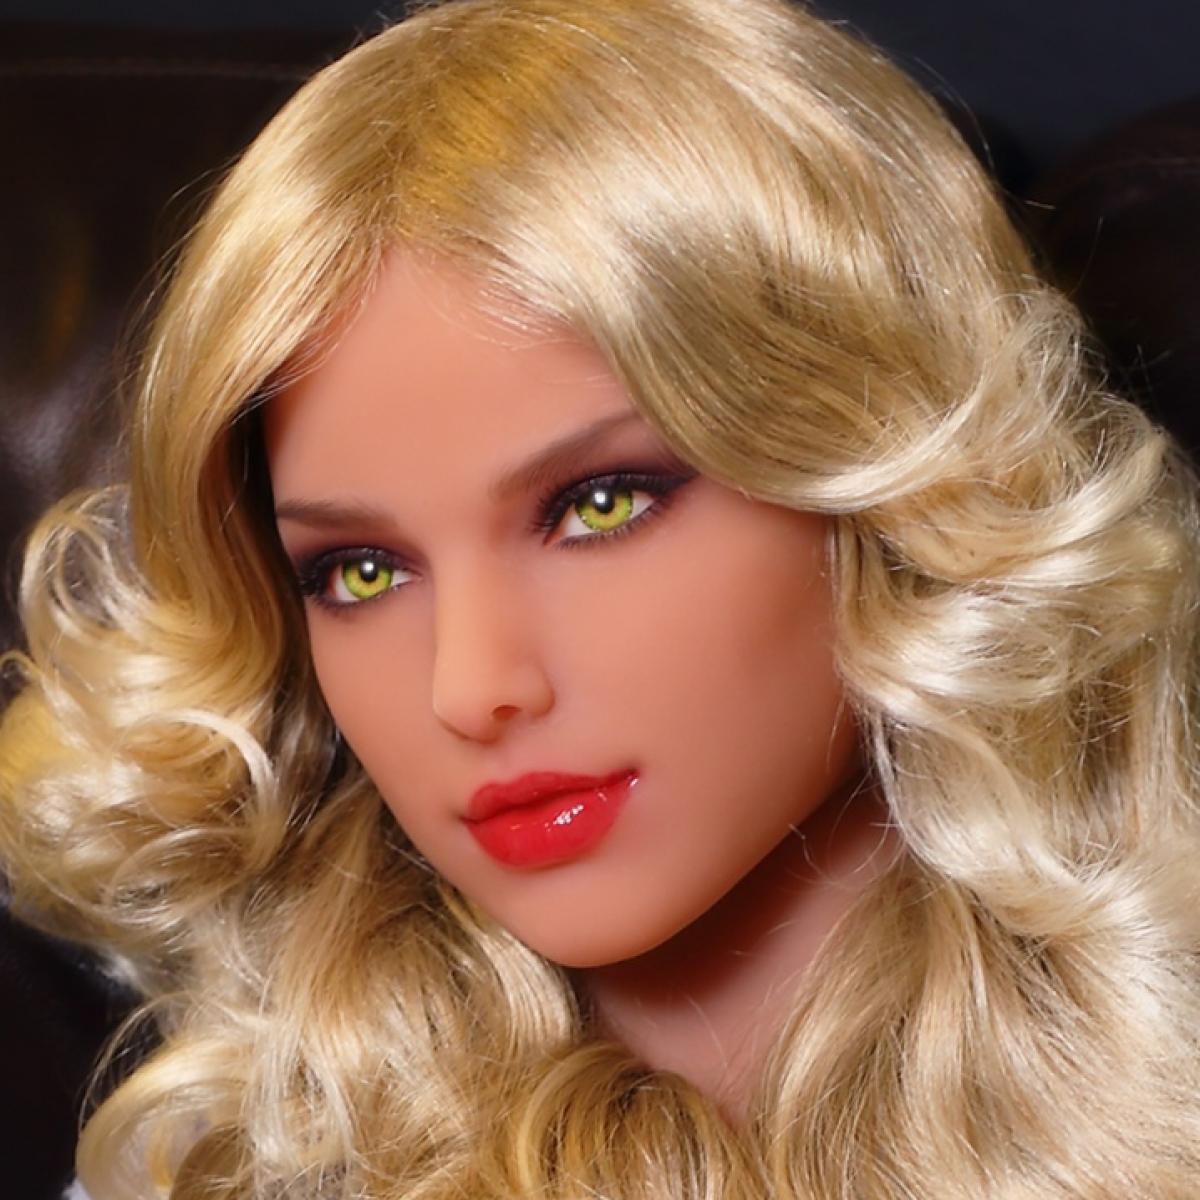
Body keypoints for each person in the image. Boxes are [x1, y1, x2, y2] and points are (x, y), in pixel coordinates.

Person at [2, 0, 1199, 1196]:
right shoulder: (246, 1145)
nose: (471, 688)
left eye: (601, 505)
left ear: (882, 471)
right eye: (360, 572)